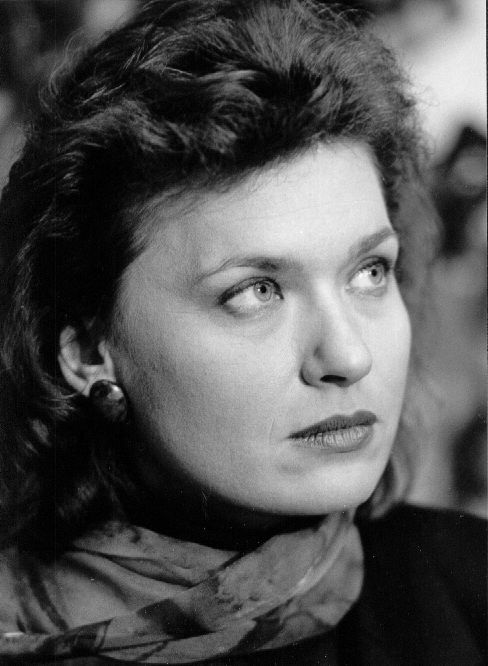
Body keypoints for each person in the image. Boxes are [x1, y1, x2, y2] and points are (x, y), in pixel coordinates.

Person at [0, 0, 485, 663]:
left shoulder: (468, 585)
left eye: (370, 272)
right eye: (257, 292)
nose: (349, 355)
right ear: (88, 352)